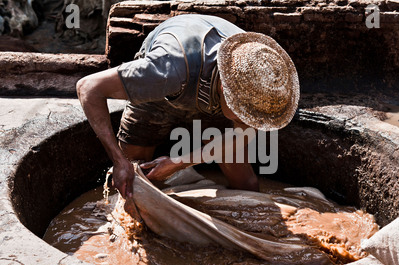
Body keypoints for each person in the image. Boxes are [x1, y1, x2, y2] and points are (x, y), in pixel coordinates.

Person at [76, 14, 300, 200]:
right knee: (133, 180)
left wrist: (177, 163)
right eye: (243, 113)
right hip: (160, 95)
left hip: (208, 90)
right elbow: (88, 87)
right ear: (224, 90)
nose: (247, 121)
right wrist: (118, 160)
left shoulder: (259, 73)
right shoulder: (165, 70)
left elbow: (241, 136)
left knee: (247, 186)